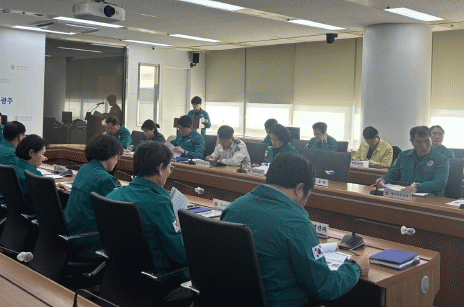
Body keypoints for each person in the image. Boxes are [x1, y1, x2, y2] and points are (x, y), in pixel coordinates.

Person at [221, 154, 368, 307]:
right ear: (300, 189)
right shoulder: (296, 222)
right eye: (308, 195)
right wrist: (355, 267)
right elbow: (325, 287)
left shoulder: (234, 208)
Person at [107, 142, 187, 274]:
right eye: (169, 168)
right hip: (156, 275)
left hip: (118, 271)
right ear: (160, 168)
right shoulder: (159, 202)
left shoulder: (113, 195)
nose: (169, 172)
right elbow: (180, 253)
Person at [65, 135, 123, 259]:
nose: (117, 161)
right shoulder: (106, 179)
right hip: (88, 241)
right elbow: (115, 216)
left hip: (71, 234)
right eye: (118, 156)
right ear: (110, 155)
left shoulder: (84, 169)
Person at [374, 126, 449, 196]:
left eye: (427, 141)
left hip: (431, 199)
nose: (424, 145)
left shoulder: (441, 159)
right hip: (406, 196)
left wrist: (417, 187)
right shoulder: (404, 156)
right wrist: (383, 179)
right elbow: (394, 173)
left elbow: (440, 182)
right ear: (412, 142)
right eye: (419, 142)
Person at [14, 135, 46, 209]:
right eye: (42, 154)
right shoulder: (34, 175)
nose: (43, 158)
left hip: (16, 211)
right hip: (33, 211)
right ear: (31, 152)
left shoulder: (15, 167)